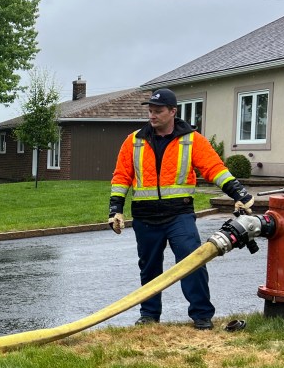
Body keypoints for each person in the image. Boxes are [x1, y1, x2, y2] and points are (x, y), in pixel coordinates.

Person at [108, 88, 254, 329]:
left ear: (173, 112)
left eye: (158, 111)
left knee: (192, 261)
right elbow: (121, 177)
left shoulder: (191, 140)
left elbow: (213, 168)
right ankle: (149, 315)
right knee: (149, 268)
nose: (152, 116)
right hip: (145, 216)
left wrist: (237, 192)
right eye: (150, 111)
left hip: (179, 215)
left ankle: (202, 316)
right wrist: (115, 209)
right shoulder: (133, 141)